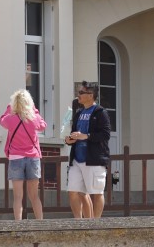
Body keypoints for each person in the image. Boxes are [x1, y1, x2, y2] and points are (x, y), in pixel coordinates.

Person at [64, 81, 111, 218]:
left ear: (90, 95)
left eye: (81, 93)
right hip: (77, 159)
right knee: (73, 191)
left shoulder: (101, 112)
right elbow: (74, 133)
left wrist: (86, 136)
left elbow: (105, 134)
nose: (78, 95)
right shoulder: (78, 113)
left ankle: (95, 224)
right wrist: (69, 140)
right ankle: (79, 223)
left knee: (97, 192)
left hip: (94, 158)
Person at [0, 89, 47, 220]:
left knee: (17, 196)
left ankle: (18, 224)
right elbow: (43, 125)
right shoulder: (34, 117)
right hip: (33, 157)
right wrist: (35, 110)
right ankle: (40, 223)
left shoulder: (10, 119)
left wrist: (10, 108)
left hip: (15, 157)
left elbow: (1, 120)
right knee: (34, 195)